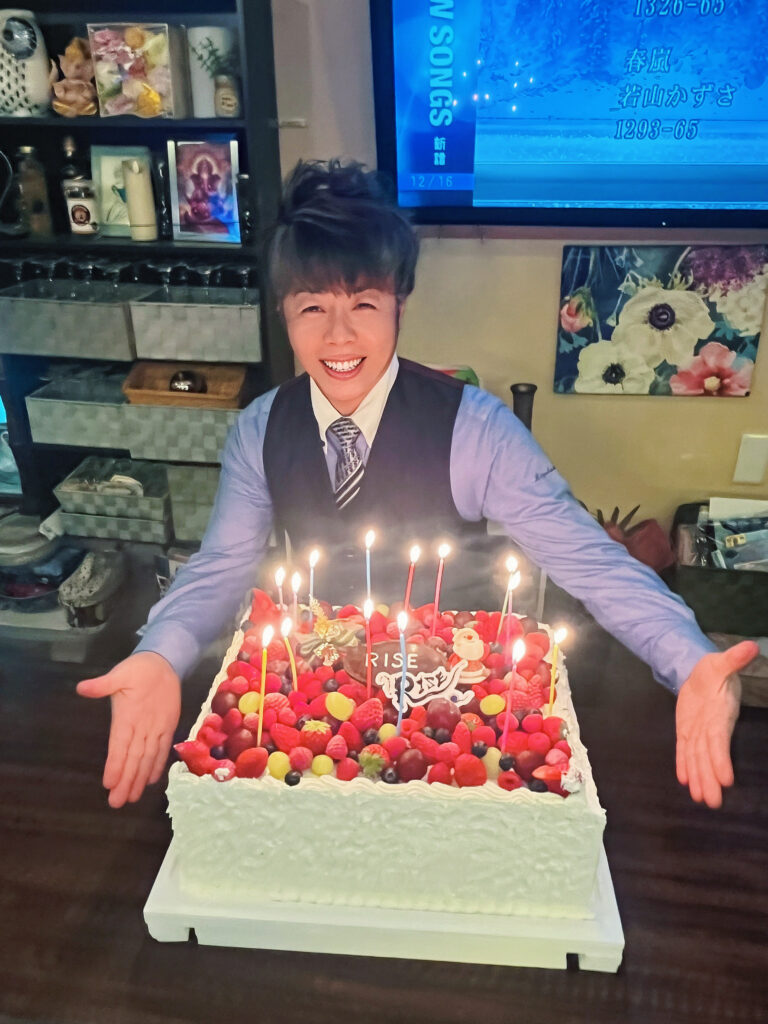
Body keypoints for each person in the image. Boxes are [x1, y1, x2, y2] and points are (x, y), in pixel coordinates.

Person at [77, 158, 758, 811]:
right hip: (320, 705)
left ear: (399, 305)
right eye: (312, 308)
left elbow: (591, 560)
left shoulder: (476, 430)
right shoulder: (260, 429)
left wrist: (689, 658)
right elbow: (219, 567)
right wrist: (159, 653)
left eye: (364, 303)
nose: (339, 335)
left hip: (451, 701)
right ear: (282, 311)